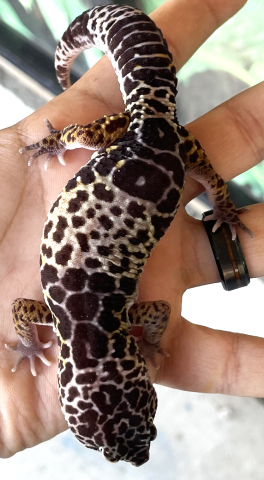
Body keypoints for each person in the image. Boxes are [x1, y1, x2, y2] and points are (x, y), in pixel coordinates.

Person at [0, 0, 263, 457]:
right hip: (156, 146)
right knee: (184, 169)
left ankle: (67, 122)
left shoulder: (131, 321)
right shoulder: (53, 318)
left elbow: (157, 314)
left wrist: (152, 343)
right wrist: (27, 345)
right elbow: (23, 313)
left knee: (88, 140)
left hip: (150, 144)